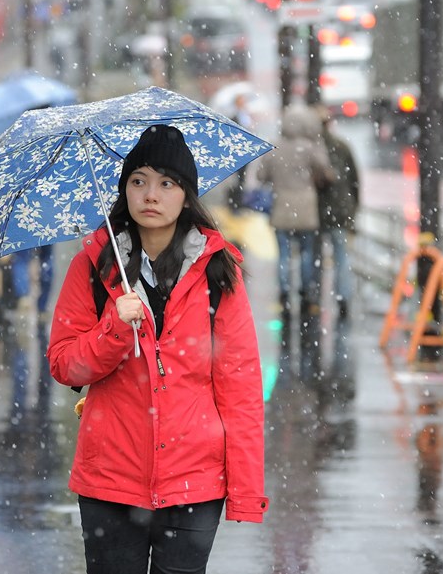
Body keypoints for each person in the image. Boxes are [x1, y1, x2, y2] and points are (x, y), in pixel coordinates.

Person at [47, 125, 268, 574]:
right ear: (124, 190)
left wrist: (245, 490)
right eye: (138, 181)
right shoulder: (94, 267)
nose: (151, 194)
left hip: (195, 482)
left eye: (166, 183)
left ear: (187, 195)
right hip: (110, 479)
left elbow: (239, 387)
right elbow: (65, 364)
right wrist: (113, 328)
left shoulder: (218, 273)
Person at [256, 104, 335, 383]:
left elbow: (261, 176)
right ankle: (303, 292)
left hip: (281, 208)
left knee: (283, 254)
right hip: (307, 209)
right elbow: (326, 174)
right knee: (306, 254)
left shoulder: (275, 148)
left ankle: (285, 292)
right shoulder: (310, 147)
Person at [317, 109, 360, 324]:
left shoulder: (310, 149)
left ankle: (313, 298)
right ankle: (343, 299)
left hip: (316, 212)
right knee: (341, 257)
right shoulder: (342, 146)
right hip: (341, 210)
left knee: (315, 256)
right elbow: (354, 180)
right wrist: (354, 209)